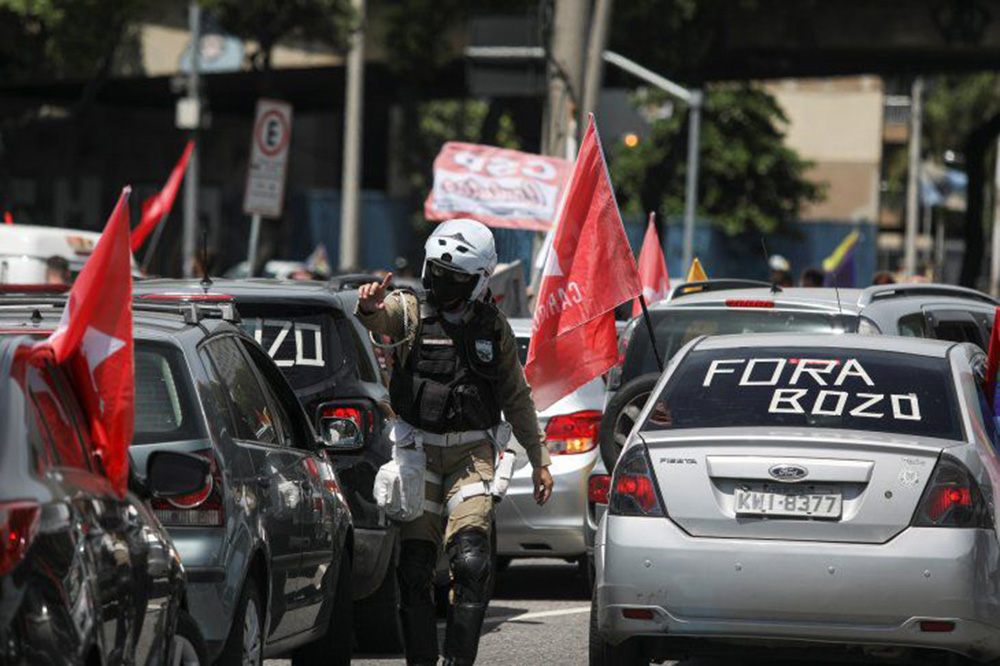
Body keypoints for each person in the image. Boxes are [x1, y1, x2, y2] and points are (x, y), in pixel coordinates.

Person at [357, 218, 553, 666]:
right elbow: (382, 318)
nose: (443, 283)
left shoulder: (494, 328)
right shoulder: (409, 309)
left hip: (472, 456)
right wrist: (368, 307)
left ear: (480, 280)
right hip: (417, 453)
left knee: (471, 562)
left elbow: (516, 396)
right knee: (414, 569)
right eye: (438, 272)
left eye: (455, 277)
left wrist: (539, 457)